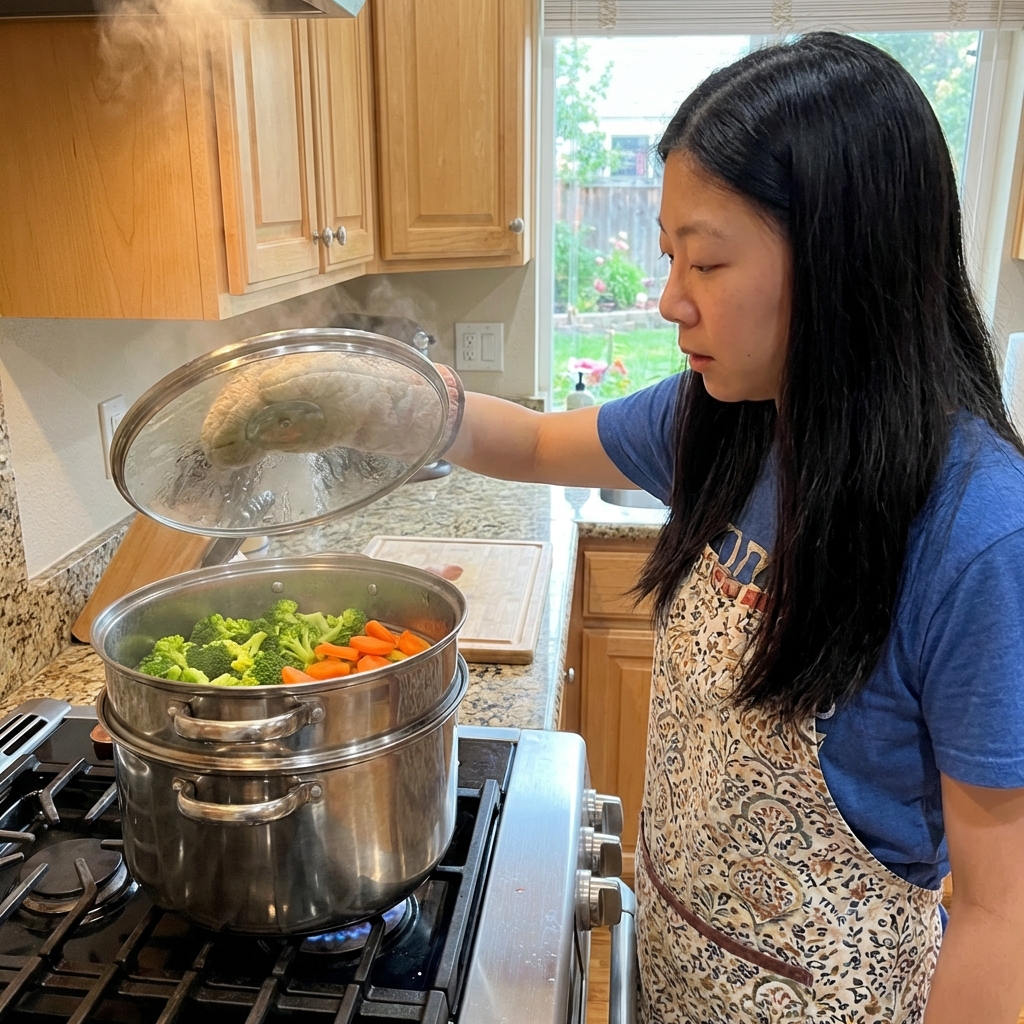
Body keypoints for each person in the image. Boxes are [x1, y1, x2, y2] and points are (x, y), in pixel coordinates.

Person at [445, 32, 1024, 1024]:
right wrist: (399, 399)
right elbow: (539, 445)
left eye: (705, 260)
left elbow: (998, 913)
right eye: (671, 253)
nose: (671, 298)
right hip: (670, 968)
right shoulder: (722, 420)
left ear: (844, 262)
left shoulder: (976, 533)